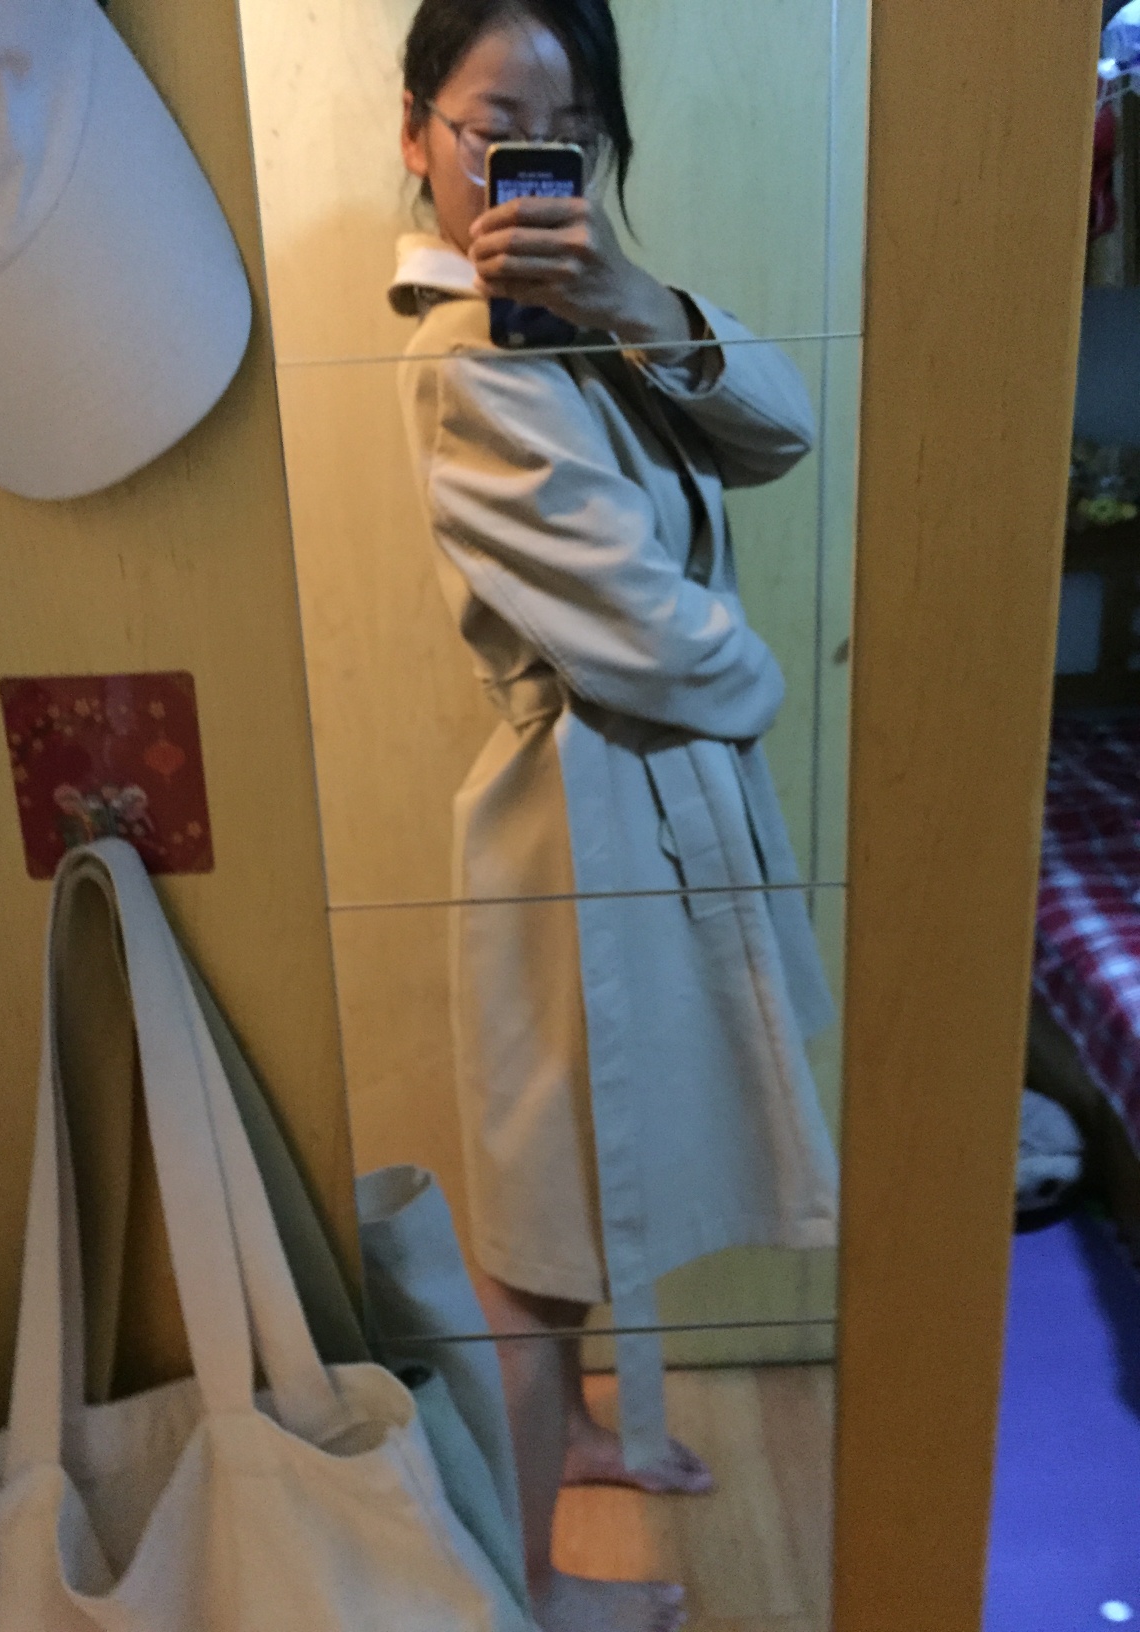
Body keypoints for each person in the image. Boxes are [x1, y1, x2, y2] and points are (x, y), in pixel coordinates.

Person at [390, 3, 839, 1628]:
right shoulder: (469, 359)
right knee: (535, 1241)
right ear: (418, 135)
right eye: (496, 124)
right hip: (568, 823)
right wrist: (768, 678)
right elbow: (656, 639)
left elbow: (782, 429)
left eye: (569, 132)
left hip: (632, 811)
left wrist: (637, 300)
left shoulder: (591, 327)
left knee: (583, 1190)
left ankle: (573, 1438)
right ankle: (527, 1591)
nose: (536, 158)